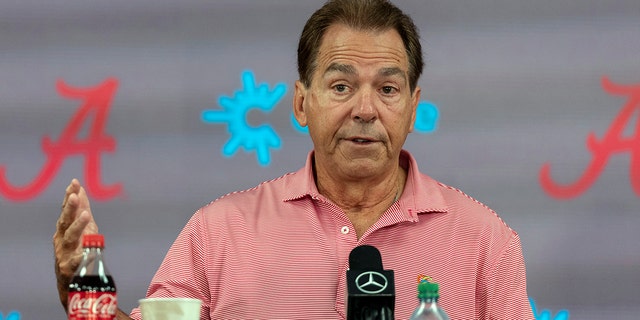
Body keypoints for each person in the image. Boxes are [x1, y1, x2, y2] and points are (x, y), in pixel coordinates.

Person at [54, 0, 534, 319]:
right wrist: (80, 285)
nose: (365, 110)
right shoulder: (217, 233)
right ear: (302, 103)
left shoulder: (485, 240)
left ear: (412, 107)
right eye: (341, 86)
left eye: (388, 89)